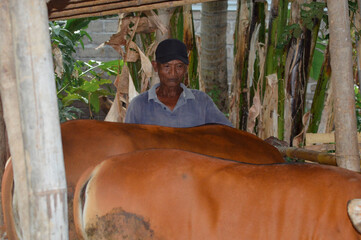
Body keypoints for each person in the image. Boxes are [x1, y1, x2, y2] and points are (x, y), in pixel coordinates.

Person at [125, 38, 233, 128]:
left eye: (179, 66)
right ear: (155, 66)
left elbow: (226, 133)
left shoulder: (201, 102)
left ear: (186, 68)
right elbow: (129, 144)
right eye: (167, 66)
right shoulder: (139, 105)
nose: (173, 73)